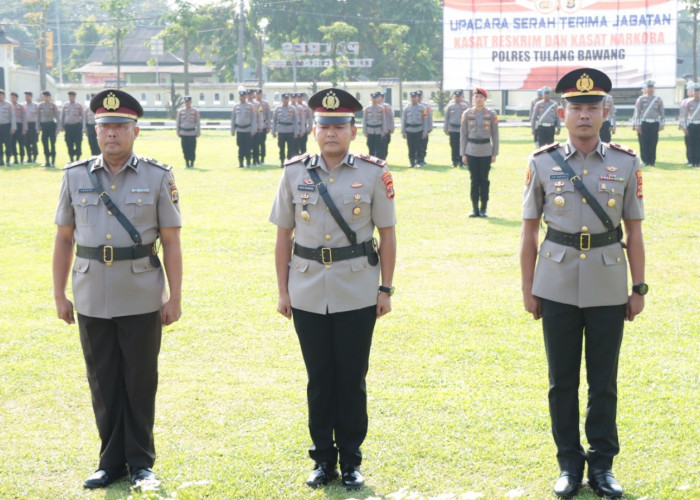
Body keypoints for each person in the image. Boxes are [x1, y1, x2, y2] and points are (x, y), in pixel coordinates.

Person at [520, 68, 646, 499]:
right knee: (561, 381)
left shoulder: (626, 162)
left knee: (604, 381)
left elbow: (635, 231)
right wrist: (527, 288)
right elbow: (528, 232)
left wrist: (639, 287)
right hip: (554, 283)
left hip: (610, 283)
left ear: (606, 111)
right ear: (562, 112)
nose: (585, 115)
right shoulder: (541, 161)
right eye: (577, 107)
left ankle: (603, 465)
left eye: (593, 107)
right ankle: (569, 465)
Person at [52, 89, 182, 491]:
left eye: (120, 127)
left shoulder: (158, 176)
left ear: (135, 131)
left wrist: (174, 296)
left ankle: (142, 463)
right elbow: (63, 239)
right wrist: (59, 294)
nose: (111, 134)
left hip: (141, 291)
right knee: (103, 380)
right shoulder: (75, 175)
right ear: (95, 130)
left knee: (141, 379)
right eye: (105, 126)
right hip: (91, 293)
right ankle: (110, 463)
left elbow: (171, 241)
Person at [270, 87, 396, 491]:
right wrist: (283, 290)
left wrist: (386, 289)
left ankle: (351, 462)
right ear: (313, 129)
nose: (331, 133)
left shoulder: (374, 172)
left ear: (353, 131)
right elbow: (283, 236)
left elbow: (387, 235)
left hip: (357, 288)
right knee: (319, 378)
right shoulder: (294, 172)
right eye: (324, 125)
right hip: (306, 288)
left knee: (352, 378)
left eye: (339, 125)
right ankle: (323, 459)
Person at [460, 88, 499, 217]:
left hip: (485, 151)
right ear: (472, 99)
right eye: (476, 96)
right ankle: (474, 208)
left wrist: (494, 153)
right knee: (474, 180)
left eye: (481, 97)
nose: (478, 99)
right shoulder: (467, 114)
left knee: (484, 180)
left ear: (485, 99)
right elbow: (463, 134)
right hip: (471, 150)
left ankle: (484, 208)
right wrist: (463, 153)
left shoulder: (491, 114)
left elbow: (495, 135)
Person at [632, 80, 664, 166]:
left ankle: (652, 161)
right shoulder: (641, 99)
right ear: (646, 89)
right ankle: (645, 160)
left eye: (652, 88)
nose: (650, 89)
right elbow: (637, 112)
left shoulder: (658, 99)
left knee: (653, 142)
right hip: (644, 123)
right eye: (649, 88)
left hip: (654, 123)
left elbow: (661, 112)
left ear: (654, 88)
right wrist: (637, 124)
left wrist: (662, 124)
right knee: (644, 142)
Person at [231, 90, 257, 168]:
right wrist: (232, 130)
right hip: (239, 130)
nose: (241, 98)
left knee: (248, 147)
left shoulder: (250, 106)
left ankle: (248, 162)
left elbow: (253, 119)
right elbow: (233, 119)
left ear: (245, 97)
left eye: (243, 96)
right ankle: (241, 163)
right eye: (240, 96)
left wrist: (253, 130)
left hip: (248, 130)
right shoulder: (236, 106)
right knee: (240, 146)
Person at [272, 93, 299, 167]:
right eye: (284, 99)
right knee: (281, 147)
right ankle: (282, 161)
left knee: (290, 147)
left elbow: (296, 121)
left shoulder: (293, 109)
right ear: (282, 99)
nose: (286, 100)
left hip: (290, 131)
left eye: (287, 99)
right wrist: (273, 131)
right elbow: (274, 121)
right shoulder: (277, 109)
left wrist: (296, 132)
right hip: (281, 131)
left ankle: (289, 161)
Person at [402, 91, 428, 168]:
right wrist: (403, 131)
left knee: (419, 146)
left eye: (415, 97)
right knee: (410, 146)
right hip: (409, 130)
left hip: (419, 130)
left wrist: (425, 131)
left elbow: (425, 121)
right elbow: (403, 120)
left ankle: (419, 162)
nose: (413, 99)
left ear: (418, 98)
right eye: (412, 97)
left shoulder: (422, 108)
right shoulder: (407, 108)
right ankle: (412, 162)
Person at [58, 90, 85, 162]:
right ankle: (71, 158)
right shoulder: (65, 105)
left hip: (77, 127)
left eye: (72, 96)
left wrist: (83, 127)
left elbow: (83, 117)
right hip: (68, 127)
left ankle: (78, 158)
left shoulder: (79, 105)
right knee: (69, 143)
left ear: (75, 97)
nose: (71, 98)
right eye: (69, 96)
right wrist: (61, 126)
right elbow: (62, 116)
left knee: (78, 142)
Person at [444, 90, 469, 168]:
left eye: (459, 96)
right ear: (454, 97)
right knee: (453, 146)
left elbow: (468, 118)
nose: (457, 98)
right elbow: (446, 118)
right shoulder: (450, 107)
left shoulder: (465, 106)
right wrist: (446, 129)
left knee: (462, 146)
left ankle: (461, 161)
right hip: (452, 129)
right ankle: (454, 161)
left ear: (462, 97)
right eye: (456, 96)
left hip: (462, 129)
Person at [176, 96, 200, 168]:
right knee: (185, 149)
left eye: (188, 102)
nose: (187, 103)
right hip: (183, 133)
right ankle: (187, 163)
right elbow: (178, 122)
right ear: (184, 103)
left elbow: (198, 122)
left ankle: (192, 163)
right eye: (186, 102)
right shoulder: (180, 111)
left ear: (191, 102)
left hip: (192, 133)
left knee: (192, 148)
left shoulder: (195, 111)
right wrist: (178, 131)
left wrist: (198, 131)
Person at [680, 82, 700, 167]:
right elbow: (684, 115)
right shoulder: (688, 102)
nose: (696, 92)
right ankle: (691, 161)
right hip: (691, 125)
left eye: (698, 91)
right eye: (695, 91)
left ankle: (698, 161)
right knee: (691, 143)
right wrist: (684, 127)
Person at [362, 92, 387, 159]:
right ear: (370, 99)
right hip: (370, 131)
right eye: (373, 98)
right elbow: (364, 120)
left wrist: (384, 131)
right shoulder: (367, 109)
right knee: (370, 146)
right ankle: (371, 161)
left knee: (379, 147)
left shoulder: (381, 108)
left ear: (377, 99)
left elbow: (383, 120)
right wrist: (365, 131)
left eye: (375, 98)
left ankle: (378, 161)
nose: (374, 100)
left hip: (378, 131)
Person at [38, 90, 59, 167]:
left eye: (47, 96)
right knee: (45, 144)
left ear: (49, 97)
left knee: (52, 144)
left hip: (51, 125)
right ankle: (47, 161)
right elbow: (38, 117)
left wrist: (58, 128)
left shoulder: (53, 106)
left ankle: (53, 162)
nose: (45, 98)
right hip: (44, 126)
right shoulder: (40, 105)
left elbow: (57, 117)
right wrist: (38, 127)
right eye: (44, 96)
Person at [254, 88, 272, 165]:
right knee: (255, 144)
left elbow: (268, 116)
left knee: (262, 143)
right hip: (254, 127)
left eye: (259, 94)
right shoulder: (252, 103)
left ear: (261, 94)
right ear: (255, 94)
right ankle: (256, 159)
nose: (258, 95)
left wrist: (268, 126)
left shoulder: (265, 103)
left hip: (263, 126)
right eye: (257, 94)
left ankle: (262, 159)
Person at [0, 89, 16, 166]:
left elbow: (13, 117)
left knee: (8, 144)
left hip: (7, 126)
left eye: (1, 95)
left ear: (3, 96)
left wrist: (13, 127)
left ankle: (8, 160)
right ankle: (1, 160)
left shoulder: (9, 105)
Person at [23, 91, 39, 163]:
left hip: (34, 125)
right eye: (26, 96)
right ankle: (29, 157)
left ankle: (35, 157)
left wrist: (38, 127)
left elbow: (39, 117)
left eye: (28, 96)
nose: (27, 98)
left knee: (34, 142)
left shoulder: (35, 105)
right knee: (26, 142)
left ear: (31, 97)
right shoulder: (23, 105)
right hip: (26, 125)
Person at [10, 91, 25, 164]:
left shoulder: (21, 106)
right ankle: (15, 159)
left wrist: (24, 128)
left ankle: (22, 159)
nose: (12, 99)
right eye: (11, 97)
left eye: (14, 97)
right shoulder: (9, 106)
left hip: (19, 126)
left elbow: (24, 118)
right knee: (13, 143)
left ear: (17, 98)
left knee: (21, 143)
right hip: (11, 127)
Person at [378, 92, 394, 161]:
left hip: (386, 130)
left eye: (379, 97)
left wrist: (391, 128)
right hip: (376, 129)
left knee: (384, 145)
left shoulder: (387, 107)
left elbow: (390, 118)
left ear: (382, 98)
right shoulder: (373, 106)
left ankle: (383, 158)